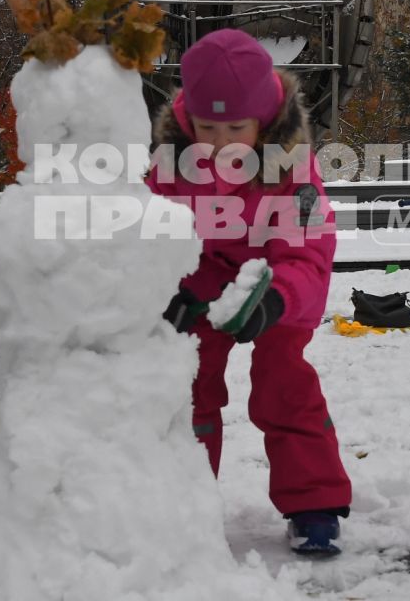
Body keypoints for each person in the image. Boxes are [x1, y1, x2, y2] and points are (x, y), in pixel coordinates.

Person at [148, 29, 351, 556]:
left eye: (236, 126)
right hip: (204, 275)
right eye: (207, 126)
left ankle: (314, 502)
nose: (219, 141)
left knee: (284, 380)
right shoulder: (170, 165)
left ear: (263, 120)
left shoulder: (293, 168)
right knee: (188, 380)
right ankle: (181, 498)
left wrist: (277, 297)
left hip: (275, 278)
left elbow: (307, 249)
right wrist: (158, 286)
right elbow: (150, 232)